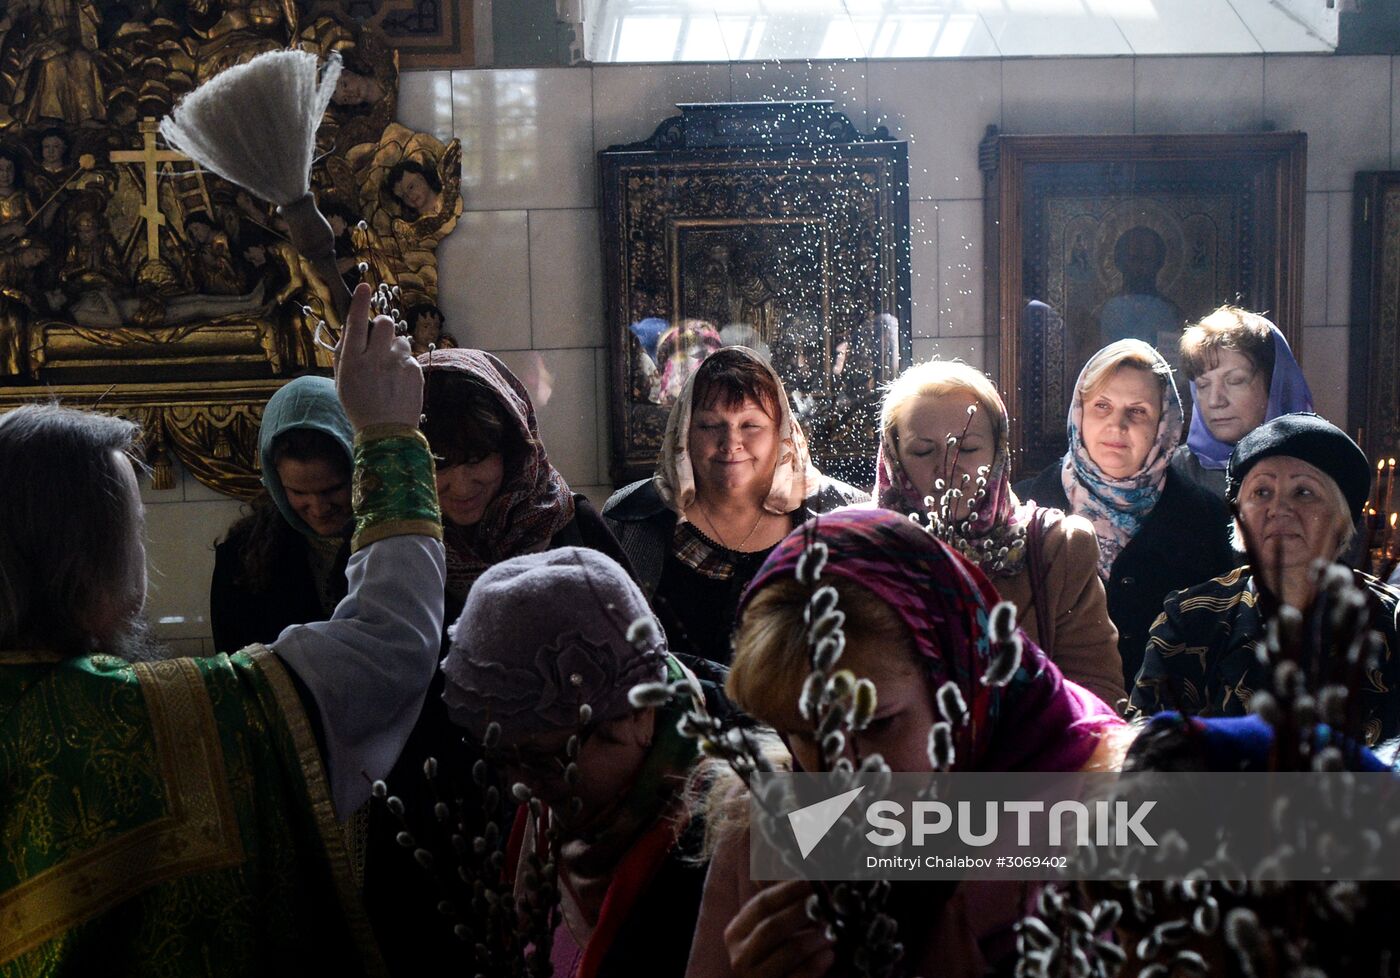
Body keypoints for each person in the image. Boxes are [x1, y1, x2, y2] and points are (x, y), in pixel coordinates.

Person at [0, 282, 445, 974]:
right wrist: (389, 438)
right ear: (83, 565)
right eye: (135, 533)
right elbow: (387, 647)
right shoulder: (146, 725)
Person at [686, 508, 1128, 978]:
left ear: (960, 684)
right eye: (807, 734)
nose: (843, 773)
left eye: (877, 726)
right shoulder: (769, 824)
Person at [364, 347, 633, 973]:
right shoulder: (398, 550)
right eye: (437, 463)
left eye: (477, 458)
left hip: (565, 799)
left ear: (513, 447)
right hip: (432, 811)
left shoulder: (569, 529)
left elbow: (642, 667)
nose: (459, 485)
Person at [439, 547, 713, 978]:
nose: (519, 787)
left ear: (639, 714)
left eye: (541, 759)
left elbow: (861, 840)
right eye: (498, 757)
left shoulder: (762, 802)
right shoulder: (542, 819)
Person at [1129, 413, 1400, 745]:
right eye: (1261, 492)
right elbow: (1146, 746)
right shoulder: (1189, 619)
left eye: (1304, 492)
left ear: (1342, 519)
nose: (1278, 508)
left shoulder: (1392, 622)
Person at [877, 360, 1124, 706]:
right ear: (894, 457)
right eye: (923, 450)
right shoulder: (862, 553)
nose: (947, 466)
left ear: (998, 451)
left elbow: (1097, 699)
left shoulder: (1058, 549)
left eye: (967, 448)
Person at [603, 346, 866, 665]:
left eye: (750, 425)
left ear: (780, 432)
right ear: (685, 431)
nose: (730, 443)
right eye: (710, 425)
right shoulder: (630, 517)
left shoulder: (846, 513)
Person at [1014, 339, 1235, 689]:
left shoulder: (1209, 521)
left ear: (1164, 422)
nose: (1116, 425)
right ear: (1079, 412)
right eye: (1102, 405)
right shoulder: (1024, 508)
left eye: (1138, 411)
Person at [210, 376, 354, 652]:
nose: (319, 508)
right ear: (275, 484)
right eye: (298, 493)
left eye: (332, 489)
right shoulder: (239, 559)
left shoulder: (393, 541)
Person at [1171, 305, 1313, 498]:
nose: (1215, 401)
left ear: (1275, 385)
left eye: (1235, 381)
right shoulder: (1176, 472)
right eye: (1203, 385)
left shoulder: (1320, 466)